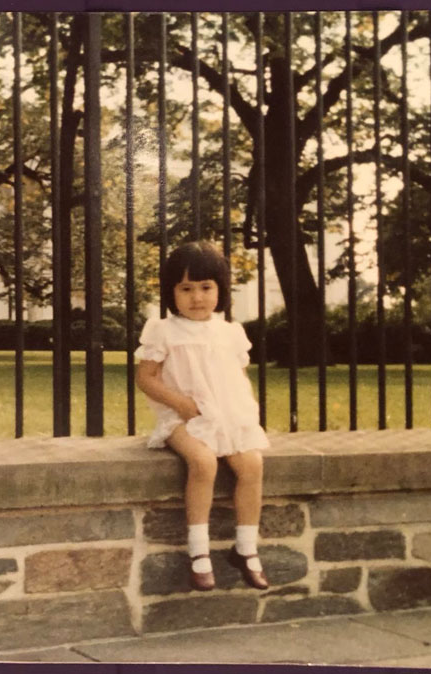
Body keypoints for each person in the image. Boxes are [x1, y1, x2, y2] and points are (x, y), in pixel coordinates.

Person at [135, 240, 270, 592]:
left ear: (220, 290)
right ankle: (198, 551)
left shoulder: (229, 332)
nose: (197, 297)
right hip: (184, 418)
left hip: (226, 417)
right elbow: (145, 378)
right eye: (186, 289)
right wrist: (179, 403)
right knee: (203, 462)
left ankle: (246, 548)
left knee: (252, 465)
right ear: (172, 292)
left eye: (206, 287)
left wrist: (244, 416)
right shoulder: (164, 331)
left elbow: (237, 378)